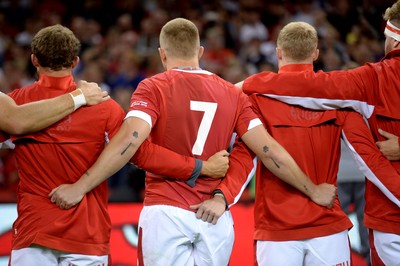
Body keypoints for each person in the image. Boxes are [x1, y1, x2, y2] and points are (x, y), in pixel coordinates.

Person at [49, 18, 336, 266]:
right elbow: (268, 150)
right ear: (199, 51)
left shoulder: (153, 86)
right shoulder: (233, 94)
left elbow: (130, 141)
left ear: (162, 54)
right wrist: (311, 189)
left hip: (166, 211)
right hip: (214, 216)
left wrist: (80, 187)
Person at [6, 23, 229, 266]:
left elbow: (17, 121)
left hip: (34, 232)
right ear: (75, 62)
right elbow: (140, 153)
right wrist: (198, 167)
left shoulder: (16, 107)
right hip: (88, 237)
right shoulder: (103, 107)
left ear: (34, 60)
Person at [195, 21, 400, 265]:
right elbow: (372, 161)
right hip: (328, 228)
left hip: (277, 231)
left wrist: (223, 196)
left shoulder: (256, 101)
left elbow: (244, 158)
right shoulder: (340, 104)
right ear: (315, 54)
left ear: (278, 52)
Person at [0, 80, 109, 136]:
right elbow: (16, 121)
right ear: (75, 62)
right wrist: (79, 96)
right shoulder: (105, 105)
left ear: (34, 60)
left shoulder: (18, 97)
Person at [337, 139, 370, 263]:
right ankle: (370, 258)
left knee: (337, 221)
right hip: (365, 170)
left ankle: (337, 258)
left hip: (339, 171)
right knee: (366, 219)